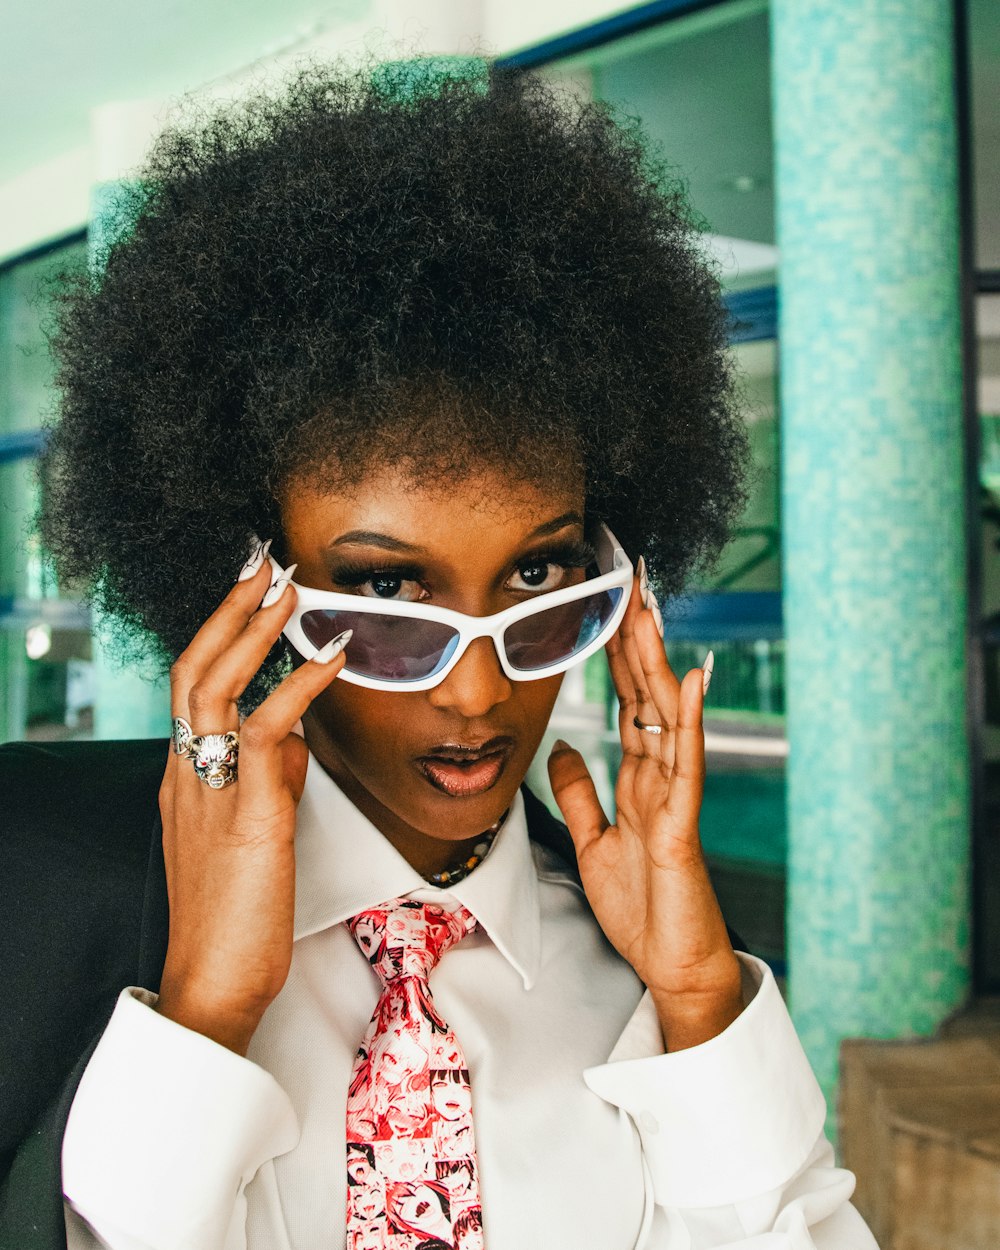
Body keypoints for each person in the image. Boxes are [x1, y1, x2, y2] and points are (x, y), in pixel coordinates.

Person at [0, 58, 879, 1250]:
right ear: (240, 581)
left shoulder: (658, 985)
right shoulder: (28, 887)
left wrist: (700, 1003)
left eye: (535, 575)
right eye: (381, 587)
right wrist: (205, 1014)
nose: (477, 689)